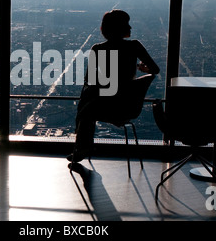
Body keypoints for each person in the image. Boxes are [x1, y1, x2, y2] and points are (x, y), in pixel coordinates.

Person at [67, 9, 160, 163]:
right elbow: (155, 69)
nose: (130, 28)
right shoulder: (134, 47)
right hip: (128, 106)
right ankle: (83, 145)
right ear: (120, 28)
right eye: (127, 24)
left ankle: (82, 145)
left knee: (86, 107)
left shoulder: (98, 49)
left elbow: (89, 80)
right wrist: (144, 69)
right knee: (88, 106)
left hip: (106, 104)